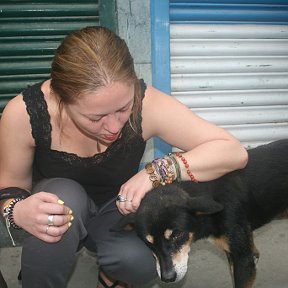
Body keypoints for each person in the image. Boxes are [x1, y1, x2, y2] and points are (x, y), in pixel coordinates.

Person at [0, 26, 248, 288]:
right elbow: (10, 187)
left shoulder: (147, 104)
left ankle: (112, 277)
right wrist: (16, 210)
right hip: (60, 214)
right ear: (60, 98)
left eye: (123, 108)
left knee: (140, 260)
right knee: (60, 201)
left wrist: (159, 170)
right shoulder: (24, 113)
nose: (114, 126)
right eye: (95, 117)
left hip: (117, 210)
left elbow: (233, 152)